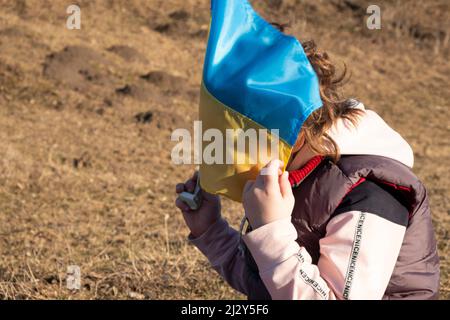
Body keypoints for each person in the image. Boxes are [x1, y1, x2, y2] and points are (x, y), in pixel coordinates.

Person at [175, 38, 440, 300]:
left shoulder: (370, 196)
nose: (232, 152)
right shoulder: (300, 174)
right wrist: (210, 230)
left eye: (242, 137)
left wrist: (271, 230)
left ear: (292, 131)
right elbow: (268, 284)